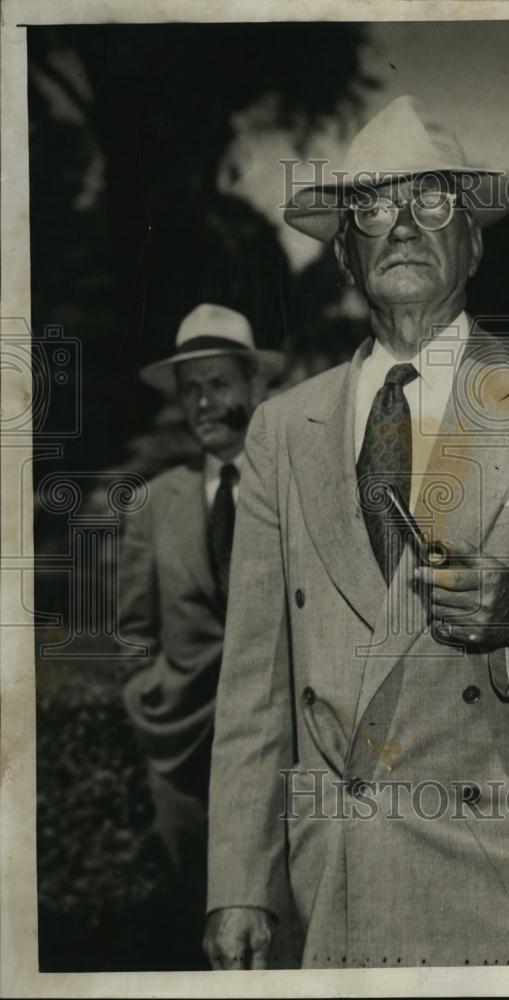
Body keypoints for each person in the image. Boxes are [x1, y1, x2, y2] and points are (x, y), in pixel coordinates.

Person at [203, 96, 509, 969]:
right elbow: (253, 685)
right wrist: (240, 883)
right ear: (345, 258)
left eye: (432, 202)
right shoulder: (283, 430)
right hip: (347, 887)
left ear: (471, 242)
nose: (401, 223)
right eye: (372, 208)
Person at [119, 303, 287, 955]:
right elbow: (132, 624)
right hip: (181, 755)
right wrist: (146, 696)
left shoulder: (289, 487)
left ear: (256, 386)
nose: (203, 403)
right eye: (190, 390)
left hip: (277, 755)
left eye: (218, 383)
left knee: (280, 924)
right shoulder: (157, 500)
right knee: (201, 930)